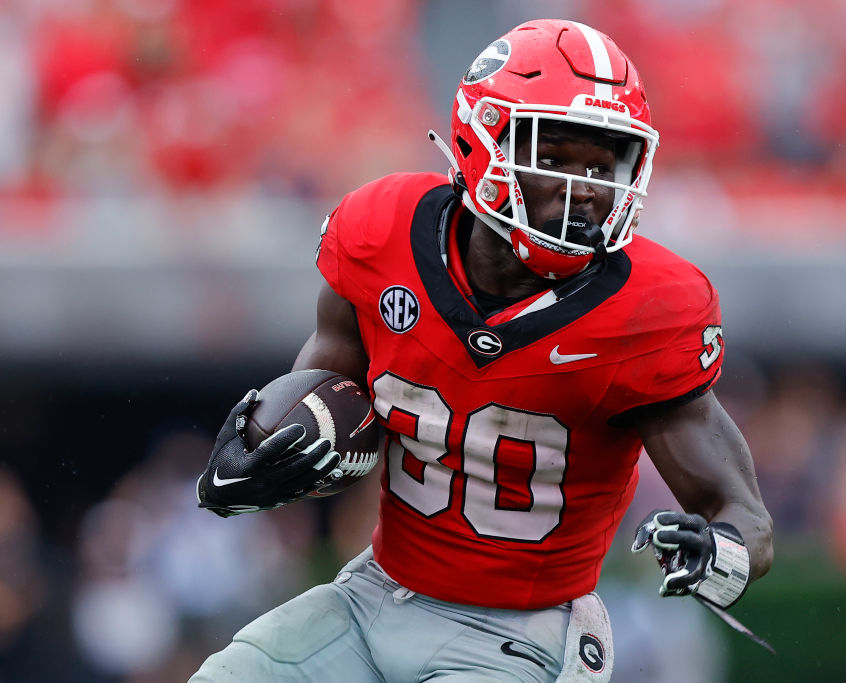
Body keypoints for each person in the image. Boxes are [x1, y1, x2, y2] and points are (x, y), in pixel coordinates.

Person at [191, 18, 772, 682]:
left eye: (602, 164)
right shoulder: (383, 235)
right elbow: (329, 400)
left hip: (524, 636)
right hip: (374, 593)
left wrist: (717, 553)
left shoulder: (647, 310)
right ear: (481, 141)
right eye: (553, 156)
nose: (583, 186)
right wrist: (269, 456)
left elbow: (744, 515)